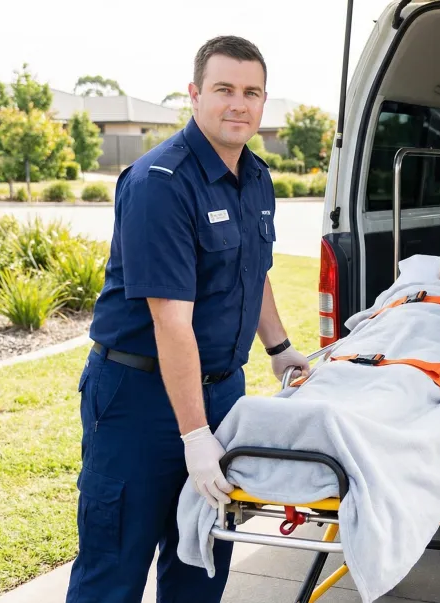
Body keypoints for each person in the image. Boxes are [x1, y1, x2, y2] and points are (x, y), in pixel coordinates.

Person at [66, 35, 309, 603]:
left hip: (223, 393)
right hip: (138, 400)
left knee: (201, 562)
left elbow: (253, 272)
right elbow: (170, 322)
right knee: (113, 570)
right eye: (224, 89)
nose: (238, 104)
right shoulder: (160, 183)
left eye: (251, 93)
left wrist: (278, 349)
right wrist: (195, 437)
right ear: (195, 94)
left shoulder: (256, 177)